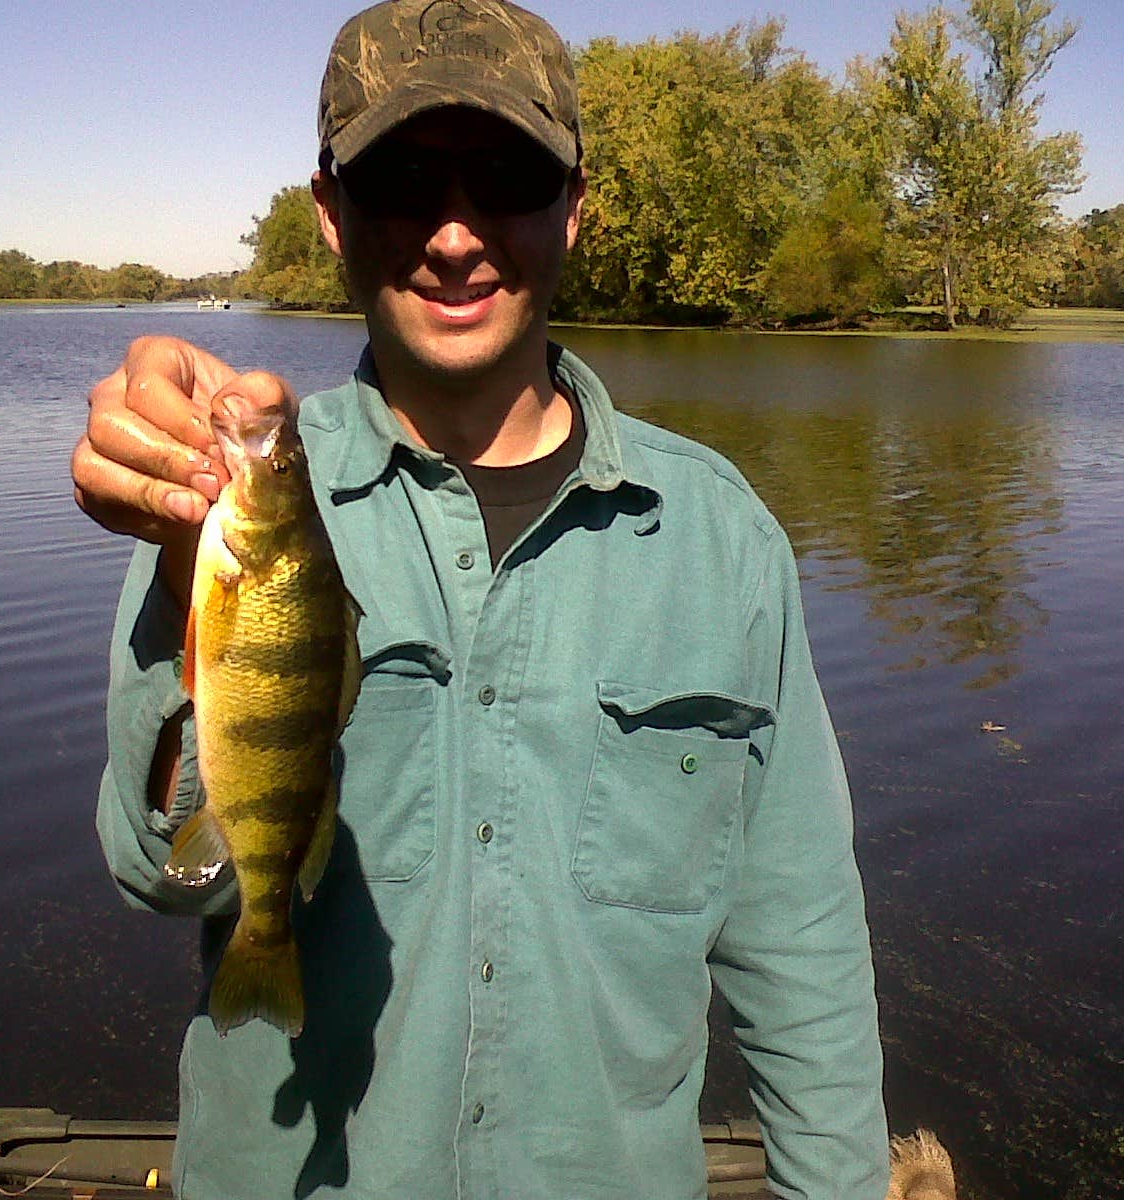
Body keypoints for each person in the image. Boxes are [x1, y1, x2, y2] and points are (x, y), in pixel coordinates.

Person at [71, 1, 888, 1196]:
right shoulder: (236, 510)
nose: (455, 235)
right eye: (405, 178)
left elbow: (800, 945)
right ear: (332, 214)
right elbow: (161, 871)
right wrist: (177, 555)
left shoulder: (720, 540)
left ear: (574, 203)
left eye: (504, 175)